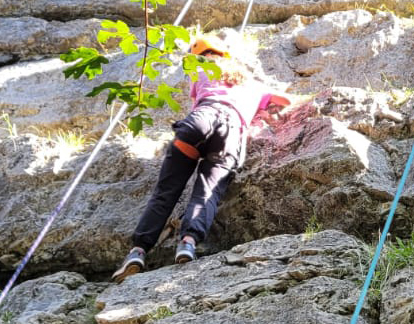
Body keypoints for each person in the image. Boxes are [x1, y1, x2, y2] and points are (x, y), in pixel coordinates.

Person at [111, 34, 290, 282]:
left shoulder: (200, 68)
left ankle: (138, 251)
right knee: (207, 191)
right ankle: (188, 243)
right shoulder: (253, 85)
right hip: (231, 133)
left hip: (201, 120)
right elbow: (284, 101)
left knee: (167, 190)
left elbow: (196, 100)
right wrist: (264, 108)